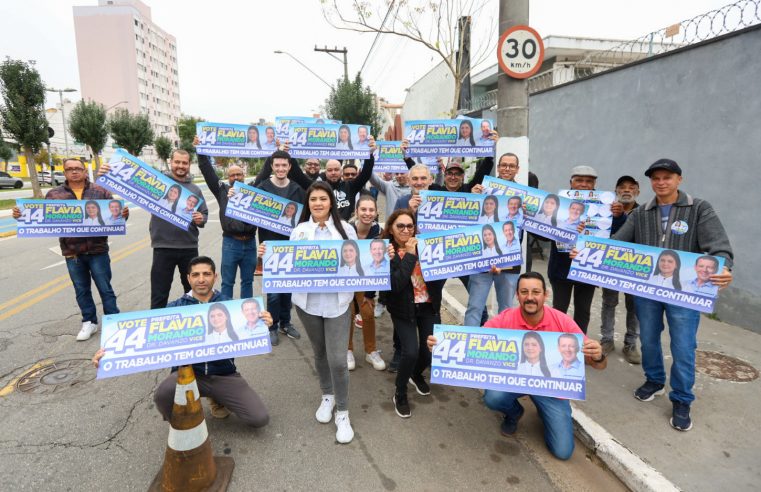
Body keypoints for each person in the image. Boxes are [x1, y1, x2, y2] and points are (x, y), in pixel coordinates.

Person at [610, 158, 733, 431]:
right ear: (651, 183)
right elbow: (615, 245)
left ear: (679, 179)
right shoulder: (640, 213)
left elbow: (720, 248)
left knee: (683, 346)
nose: (661, 182)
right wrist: (585, 251)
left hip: (685, 292)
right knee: (649, 339)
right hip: (647, 290)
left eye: (667, 177)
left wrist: (726, 268)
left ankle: (681, 398)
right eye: (656, 178)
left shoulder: (699, 208)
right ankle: (654, 380)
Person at [427, 272, 606, 460]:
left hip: (551, 389)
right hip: (515, 382)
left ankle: (545, 412)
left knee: (563, 452)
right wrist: (442, 346)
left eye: (536, 292)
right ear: (517, 295)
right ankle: (514, 413)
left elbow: (597, 364)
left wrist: (599, 356)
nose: (530, 297)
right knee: (493, 398)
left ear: (545, 295)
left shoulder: (562, 321)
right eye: (524, 292)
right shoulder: (505, 319)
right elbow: (472, 343)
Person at [94, 256, 271, 424]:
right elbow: (141, 340)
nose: (201, 279)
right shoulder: (173, 309)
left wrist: (263, 322)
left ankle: (217, 398)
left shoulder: (230, 306)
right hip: (188, 373)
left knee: (259, 418)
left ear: (215, 277)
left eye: (206, 274)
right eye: (195, 275)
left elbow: (249, 329)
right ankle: (186, 419)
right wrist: (109, 356)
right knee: (162, 396)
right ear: (188, 278)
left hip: (224, 374)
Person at [259, 181, 358, 443]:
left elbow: (359, 261)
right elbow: (287, 263)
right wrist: (268, 255)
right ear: (309, 203)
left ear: (331, 202)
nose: (318, 203)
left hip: (337, 304)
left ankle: (343, 412)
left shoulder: (346, 229)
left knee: (338, 361)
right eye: (313, 199)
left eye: (322, 199)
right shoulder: (300, 230)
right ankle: (327, 395)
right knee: (320, 354)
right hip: (308, 305)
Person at [13, 158, 128, 340]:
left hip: (98, 251)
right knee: (81, 290)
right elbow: (41, 218)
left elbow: (114, 217)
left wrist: (123, 214)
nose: (74, 172)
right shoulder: (54, 194)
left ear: (84, 171)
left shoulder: (100, 191)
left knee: (105, 288)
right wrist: (21, 215)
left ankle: (113, 321)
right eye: (70, 169)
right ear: (65, 172)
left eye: (78, 168)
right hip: (72, 252)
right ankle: (89, 322)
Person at [384, 209, 445, 418]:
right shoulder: (386, 251)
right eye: (400, 226)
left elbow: (440, 276)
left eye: (410, 226)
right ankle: (400, 392)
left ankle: (415, 373)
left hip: (428, 306)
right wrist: (409, 255)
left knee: (430, 351)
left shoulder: (425, 246)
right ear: (391, 229)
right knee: (409, 352)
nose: (405, 230)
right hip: (403, 309)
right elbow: (396, 284)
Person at [253, 150, 306, 346]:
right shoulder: (262, 188)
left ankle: (286, 322)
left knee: (288, 290)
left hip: (291, 248)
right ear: (272, 166)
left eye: (284, 165)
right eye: (277, 165)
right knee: (274, 292)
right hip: (270, 248)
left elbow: (304, 218)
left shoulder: (297, 189)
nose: (281, 169)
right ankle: (272, 325)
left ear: (290, 166)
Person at [196, 139, 258, 299]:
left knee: (247, 282)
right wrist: (200, 150)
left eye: (239, 174)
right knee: (227, 282)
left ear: (244, 175)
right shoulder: (221, 190)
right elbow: (206, 170)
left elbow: (265, 171)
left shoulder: (253, 190)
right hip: (231, 243)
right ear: (227, 177)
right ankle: (227, 314)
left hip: (250, 243)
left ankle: (246, 316)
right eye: (232, 175)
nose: (236, 177)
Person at [265, 138, 376, 221]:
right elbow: (298, 175)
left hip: (343, 231)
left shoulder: (350, 186)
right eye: (330, 170)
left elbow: (365, 174)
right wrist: (287, 153)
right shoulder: (317, 187)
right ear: (325, 172)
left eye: (336, 170)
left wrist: (370, 154)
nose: (333, 173)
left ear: (341, 172)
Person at [548, 166, 598, 334]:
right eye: (579, 180)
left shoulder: (604, 206)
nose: (584, 184)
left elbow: (614, 232)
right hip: (560, 268)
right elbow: (542, 235)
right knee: (559, 311)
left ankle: (580, 346)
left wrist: (618, 216)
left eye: (588, 181)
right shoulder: (557, 204)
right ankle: (556, 345)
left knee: (583, 311)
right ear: (571, 182)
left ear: (594, 184)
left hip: (588, 266)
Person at [600, 175, 641, 363]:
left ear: (637, 192)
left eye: (631, 187)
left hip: (634, 267)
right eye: (622, 187)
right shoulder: (605, 211)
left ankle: (630, 343)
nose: (627, 190)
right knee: (609, 302)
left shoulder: (644, 213)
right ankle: (607, 339)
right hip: (610, 265)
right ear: (616, 191)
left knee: (633, 306)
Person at [347, 197, 387, 371]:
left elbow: (380, 264)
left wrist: (371, 294)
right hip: (346, 278)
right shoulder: (346, 229)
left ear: (376, 212)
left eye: (371, 210)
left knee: (367, 313)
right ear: (356, 211)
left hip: (367, 279)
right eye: (363, 209)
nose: (367, 213)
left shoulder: (380, 231)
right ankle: (347, 349)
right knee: (347, 315)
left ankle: (371, 351)